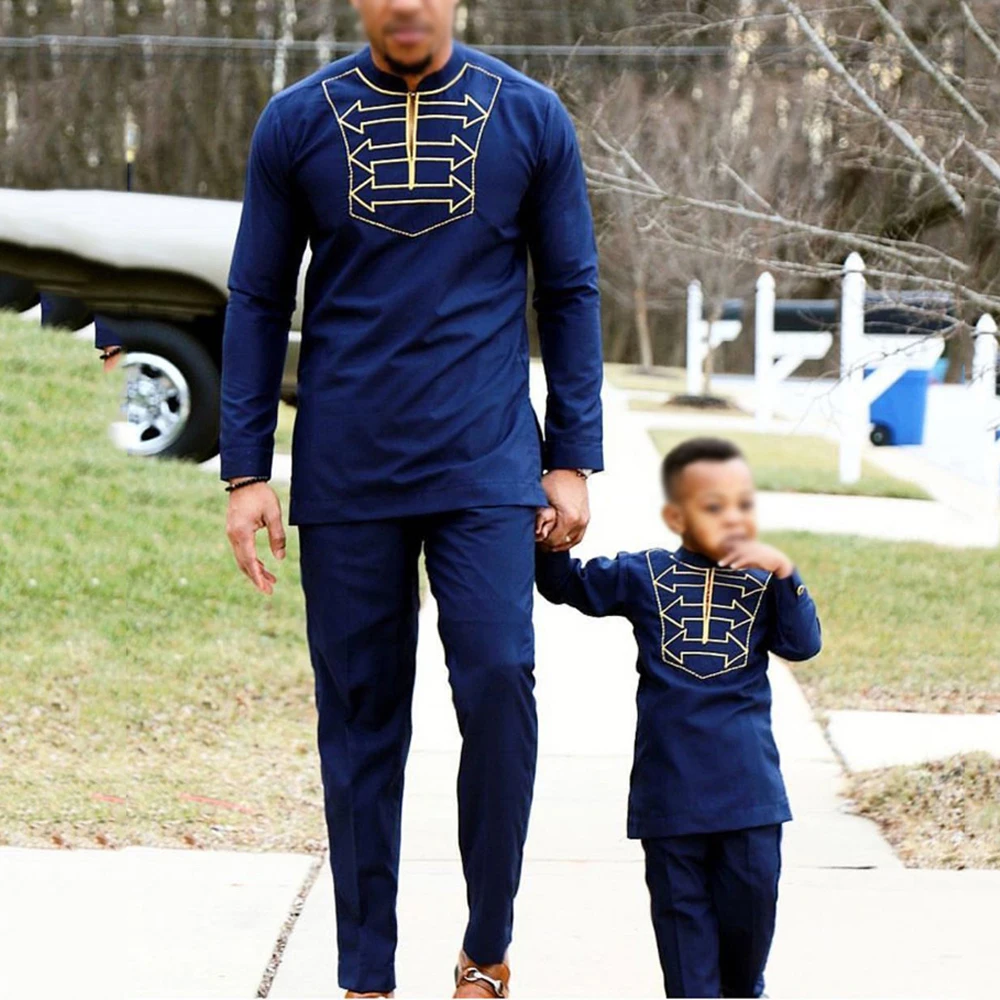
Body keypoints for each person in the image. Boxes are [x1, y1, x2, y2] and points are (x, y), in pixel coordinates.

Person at [219, 0, 604, 996]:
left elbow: (569, 289)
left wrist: (572, 456)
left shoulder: (529, 117)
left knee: (498, 681)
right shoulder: (296, 122)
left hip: (485, 462)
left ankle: (486, 948)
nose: (404, 5)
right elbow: (257, 296)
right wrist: (247, 470)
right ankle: (366, 973)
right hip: (347, 465)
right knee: (359, 718)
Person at [534, 437, 822, 998]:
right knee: (689, 967)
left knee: (748, 936)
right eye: (713, 506)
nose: (732, 518)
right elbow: (565, 586)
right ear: (676, 517)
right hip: (670, 800)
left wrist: (785, 572)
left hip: (750, 799)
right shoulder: (644, 573)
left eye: (743, 505)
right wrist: (552, 534)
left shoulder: (764, 582)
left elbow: (802, 644)